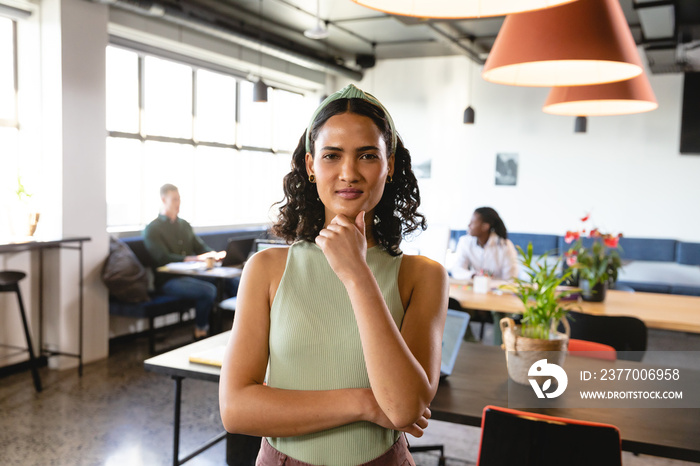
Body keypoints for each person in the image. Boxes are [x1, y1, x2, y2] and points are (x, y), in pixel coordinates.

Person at [219, 84, 448, 465]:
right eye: (332, 155)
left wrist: (357, 273)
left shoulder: (422, 276)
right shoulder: (268, 269)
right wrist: (363, 403)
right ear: (311, 167)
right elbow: (237, 409)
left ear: (389, 166)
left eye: (367, 155)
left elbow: (405, 408)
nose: (349, 173)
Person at [143, 183, 227, 339]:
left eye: (179, 199)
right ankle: (201, 332)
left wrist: (214, 255)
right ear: (163, 200)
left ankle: (231, 331)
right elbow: (162, 258)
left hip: (191, 275)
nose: (178, 203)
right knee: (208, 290)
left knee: (230, 282)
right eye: (174, 199)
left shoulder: (184, 225)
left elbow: (200, 247)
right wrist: (193, 258)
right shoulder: (152, 229)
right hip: (168, 280)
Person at [450, 207, 518, 281]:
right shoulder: (465, 241)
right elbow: (457, 269)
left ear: (485, 226)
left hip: (497, 289)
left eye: (472, 222)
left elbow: (511, 279)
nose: (469, 225)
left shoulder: (505, 246)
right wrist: (474, 276)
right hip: (475, 286)